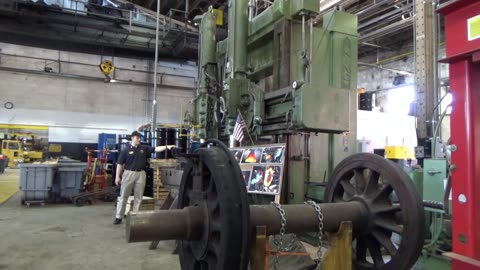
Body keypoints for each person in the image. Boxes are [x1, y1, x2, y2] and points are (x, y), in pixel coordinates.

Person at [113, 130, 175, 225]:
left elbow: (156, 149)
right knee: (124, 195)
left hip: (141, 174)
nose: (139, 139)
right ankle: (119, 217)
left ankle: (135, 216)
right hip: (128, 174)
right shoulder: (126, 150)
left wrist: (167, 147)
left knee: (139, 196)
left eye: (140, 138)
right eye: (137, 138)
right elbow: (120, 164)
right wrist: (117, 176)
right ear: (132, 138)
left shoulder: (144, 148)